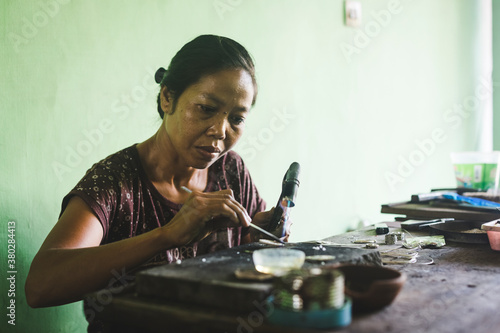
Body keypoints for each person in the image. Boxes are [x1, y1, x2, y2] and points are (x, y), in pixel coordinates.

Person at [25, 35, 288, 330]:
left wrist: (257, 246)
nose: (220, 131)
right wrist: (167, 236)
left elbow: (253, 271)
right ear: (167, 98)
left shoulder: (231, 171)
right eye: (205, 108)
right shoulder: (116, 182)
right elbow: (40, 286)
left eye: (237, 119)